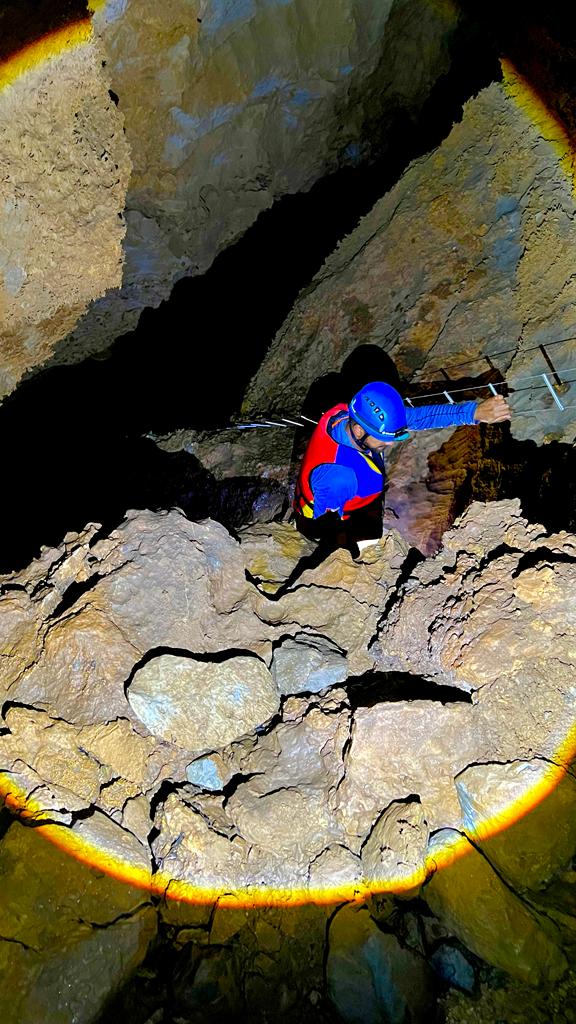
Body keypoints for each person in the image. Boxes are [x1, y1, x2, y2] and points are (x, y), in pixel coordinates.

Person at [294, 381, 511, 555]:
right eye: (384, 438)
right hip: (331, 512)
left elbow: (423, 417)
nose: (390, 443)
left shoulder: (354, 420)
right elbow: (326, 523)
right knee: (362, 544)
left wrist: (474, 413)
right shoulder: (337, 476)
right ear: (359, 431)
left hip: (359, 493)